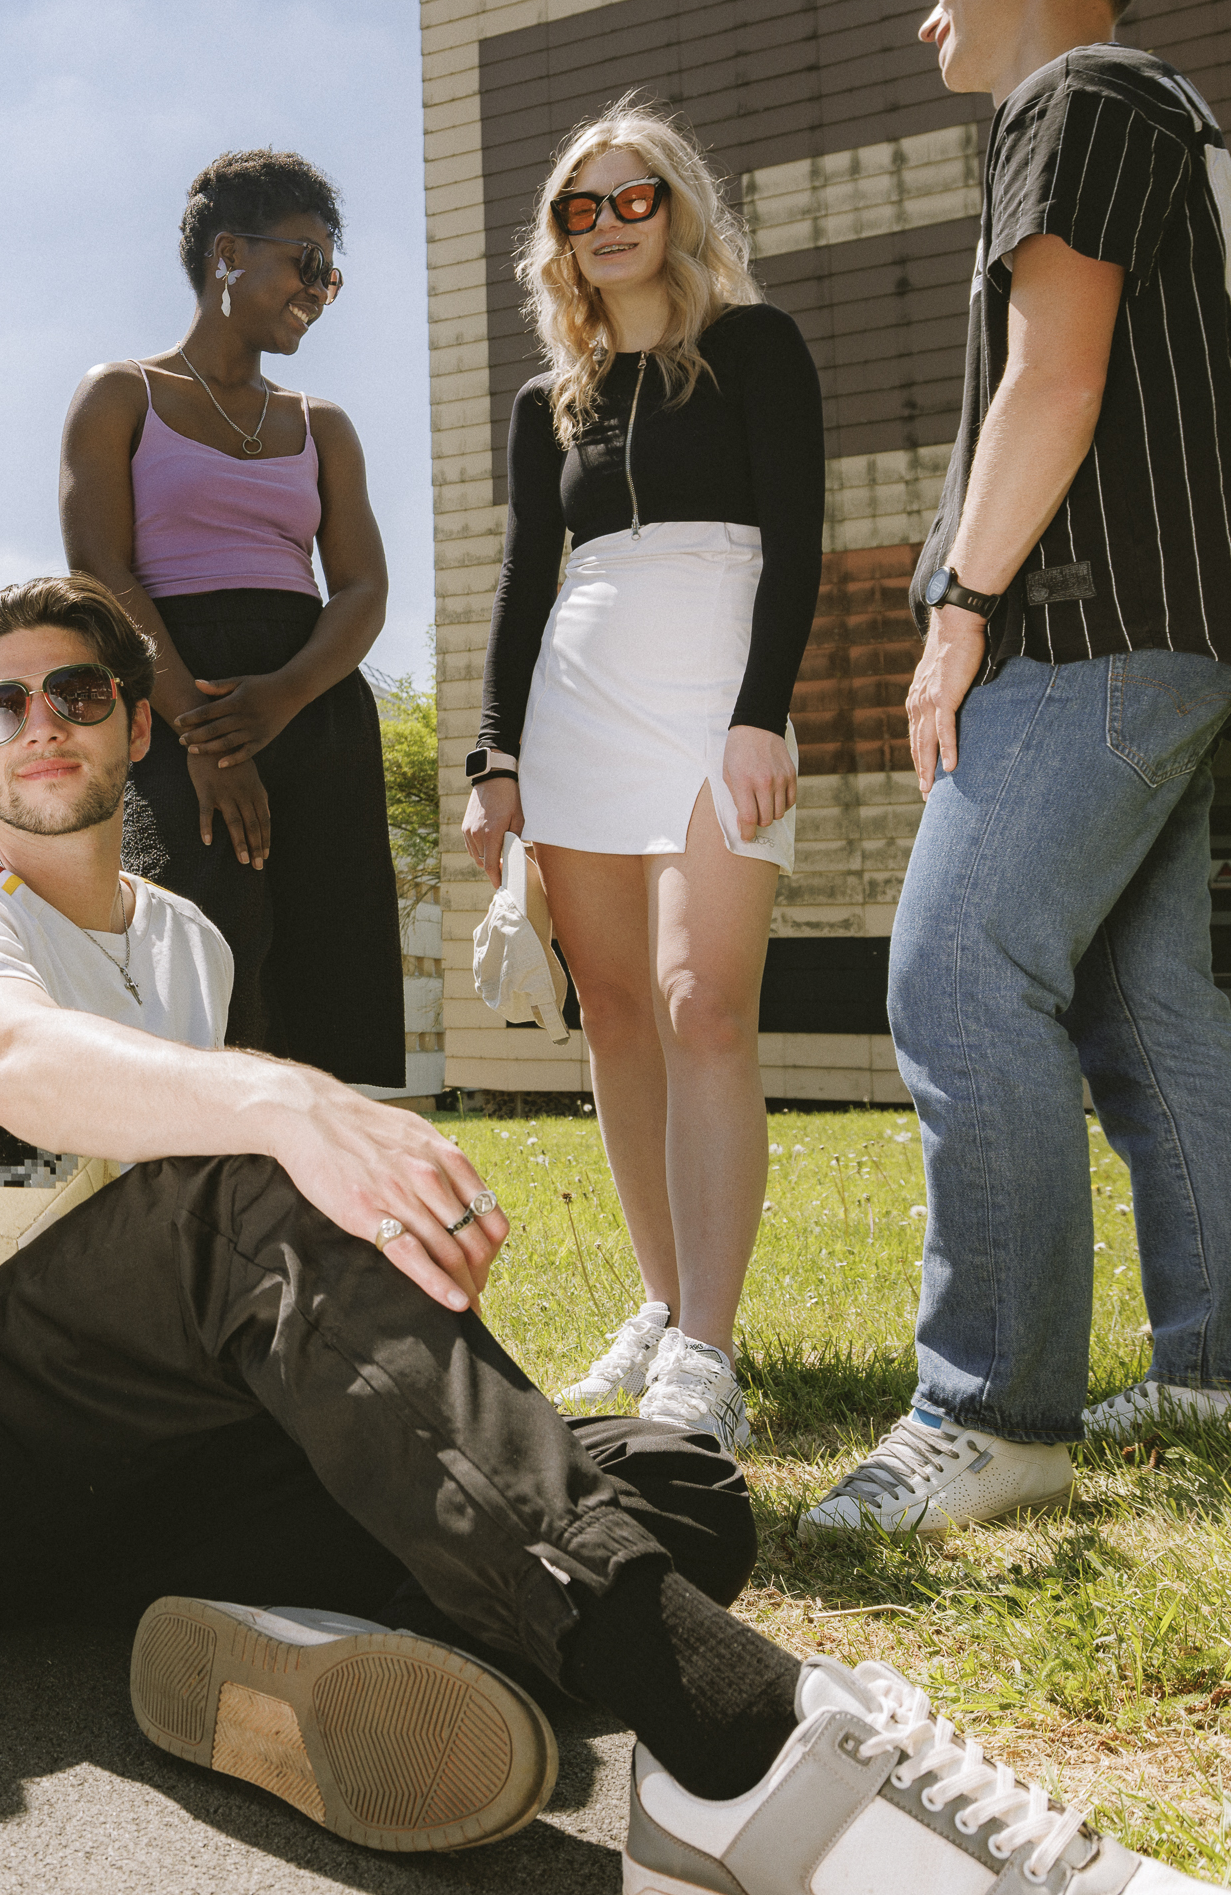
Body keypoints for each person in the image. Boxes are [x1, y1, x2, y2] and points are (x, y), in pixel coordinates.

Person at [0, 576, 1231, 1890]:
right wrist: (292, 1106)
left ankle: (276, 1649)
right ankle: (746, 1745)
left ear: (136, 723)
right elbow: (16, 1062)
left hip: (148, 1475)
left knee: (674, 1478)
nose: (40, 724)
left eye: (74, 691)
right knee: (259, 1194)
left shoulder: (192, 940)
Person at [802, 0, 1231, 1535]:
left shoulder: (1076, 96)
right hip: (1182, 616)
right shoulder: (1156, 104)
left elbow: (1054, 378)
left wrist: (961, 606)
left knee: (959, 968)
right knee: (1142, 997)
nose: (928, 18)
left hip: (1097, 616)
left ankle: (991, 1412)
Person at [459, 99, 822, 1453]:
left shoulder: (755, 346)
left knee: (698, 1003)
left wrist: (758, 716)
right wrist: (496, 755)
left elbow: (797, 540)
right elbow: (522, 580)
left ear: (677, 208)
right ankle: (665, 1308)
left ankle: (710, 1356)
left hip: (714, 696)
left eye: (634, 198)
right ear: (557, 234)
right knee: (613, 1010)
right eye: (582, 207)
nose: (608, 224)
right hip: (577, 705)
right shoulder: (546, 401)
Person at [60, 149, 400, 1085]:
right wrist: (205, 734)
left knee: (327, 963)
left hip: (311, 699)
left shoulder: (322, 424)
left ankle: (325, 1165)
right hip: (174, 694)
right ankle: (198, 1162)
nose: (320, 289)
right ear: (228, 254)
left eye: (331, 273)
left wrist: (281, 699)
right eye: (306, 260)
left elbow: (363, 589)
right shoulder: (121, 394)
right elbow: (100, 570)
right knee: (200, 954)